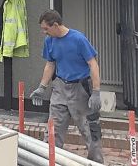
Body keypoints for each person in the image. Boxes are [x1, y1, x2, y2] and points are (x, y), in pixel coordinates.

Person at [29, 10, 104, 164]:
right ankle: (50, 162)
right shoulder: (50, 41)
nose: (44, 32)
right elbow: (50, 64)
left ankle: (96, 163)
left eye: (46, 29)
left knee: (90, 131)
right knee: (53, 131)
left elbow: (93, 64)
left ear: (55, 25)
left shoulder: (78, 39)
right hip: (59, 88)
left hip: (80, 88)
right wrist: (42, 87)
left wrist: (96, 92)